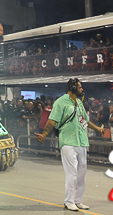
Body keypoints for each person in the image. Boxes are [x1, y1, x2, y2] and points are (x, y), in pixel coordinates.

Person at [35, 78, 104, 212]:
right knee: (72, 172)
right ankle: (69, 201)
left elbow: (85, 122)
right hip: (67, 142)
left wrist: (98, 129)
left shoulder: (79, 103)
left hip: (81, 141)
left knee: (82, 173)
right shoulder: (61, 102)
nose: (82, 89)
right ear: (72, 88)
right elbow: (52, 120)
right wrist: (44, 135)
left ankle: (78, 200)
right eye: (79, 87)